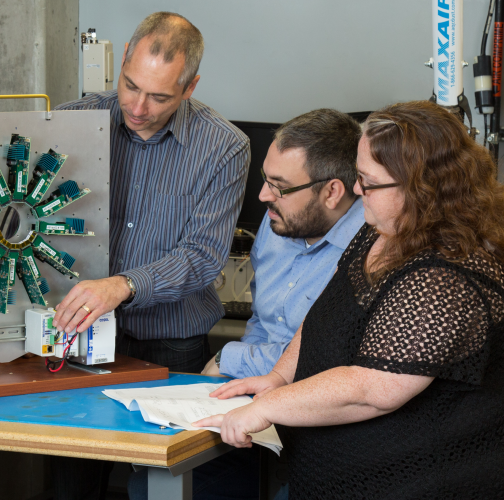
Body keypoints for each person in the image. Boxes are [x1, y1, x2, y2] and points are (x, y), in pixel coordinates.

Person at [195, 100, 504, 499]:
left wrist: (266, 407)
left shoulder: (447, 275)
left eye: (369, 182)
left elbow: (372, 389)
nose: (357, 191)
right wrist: (278, 377)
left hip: (420, 482)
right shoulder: (379, 231)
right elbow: (324, 316)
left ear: (420, 188)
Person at [51, 12, 249, 499]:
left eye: (159, 96)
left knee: (162, 485)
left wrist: (122, 286)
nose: (138, 107)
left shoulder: (224, 147)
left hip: (172, 341)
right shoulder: (73, 121)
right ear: (122, 61)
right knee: (73, 477)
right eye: (131, 85)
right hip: (79, 337)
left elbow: (203, 257)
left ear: (190, 86)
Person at [130, 108, 366, 500]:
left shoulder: (371, 252)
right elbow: (263, 323)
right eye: (264, 179)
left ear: (332, 191)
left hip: (326, 422)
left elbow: (329, 356)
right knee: (154, 482)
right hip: (255, 405)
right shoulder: (278, 228)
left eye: (279, 186)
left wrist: (233, 360)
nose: (263, 197)